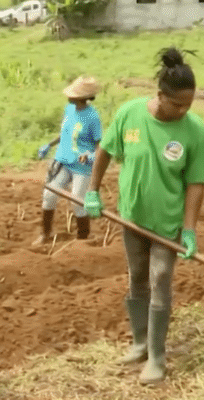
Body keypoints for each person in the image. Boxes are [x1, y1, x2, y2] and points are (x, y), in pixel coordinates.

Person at [84, 47, 204, 385]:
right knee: (137, 277)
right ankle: (139, 343)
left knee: (161, 279)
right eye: (177, 103)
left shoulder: (195, 130)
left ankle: (157, 357)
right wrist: (92, 191)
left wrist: (189, 229)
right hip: (132, 217)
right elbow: (105, 150)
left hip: (167, 223)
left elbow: (196, 183)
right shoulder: (130, 113)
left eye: (189, 103)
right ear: (160, 95)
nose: (184, 110)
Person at [33, 76, 102, 245]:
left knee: (77, 201)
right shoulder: (69, 109)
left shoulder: (92, 117)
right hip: (63, 160)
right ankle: (45, 234)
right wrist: (49, 144)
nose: (69, 96)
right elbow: (65, 133)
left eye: (73, 94)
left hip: (81, 166)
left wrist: (92, 156)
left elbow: (100, 144)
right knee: (49, 195)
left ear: (83, 97)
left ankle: (83, 238)